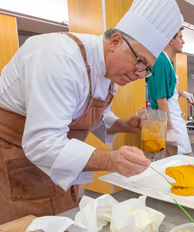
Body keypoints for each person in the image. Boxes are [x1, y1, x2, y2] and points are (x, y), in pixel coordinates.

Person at [0, 0, 183, 223]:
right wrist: (110, 160)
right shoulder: (60, 59)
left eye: (147, 69)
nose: (139, 74)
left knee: (62, 220)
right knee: (29, 223)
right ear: (115, 41)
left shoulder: (110, 73)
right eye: (140, 62)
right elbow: (42, 141)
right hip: (16, 160)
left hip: (57, 162)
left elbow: (89, 115)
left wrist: (123, 125)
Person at [148, 27, 194, 157]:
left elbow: (168, 93)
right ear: (170, 40)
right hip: (170, 123)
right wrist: (170, 130)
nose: (183, 41)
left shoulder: (168, 62)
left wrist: (182, 93)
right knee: (182, 164)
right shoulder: (162, 62)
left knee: (183, 162)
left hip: (173, 122)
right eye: (180, 37)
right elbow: (161, 100)